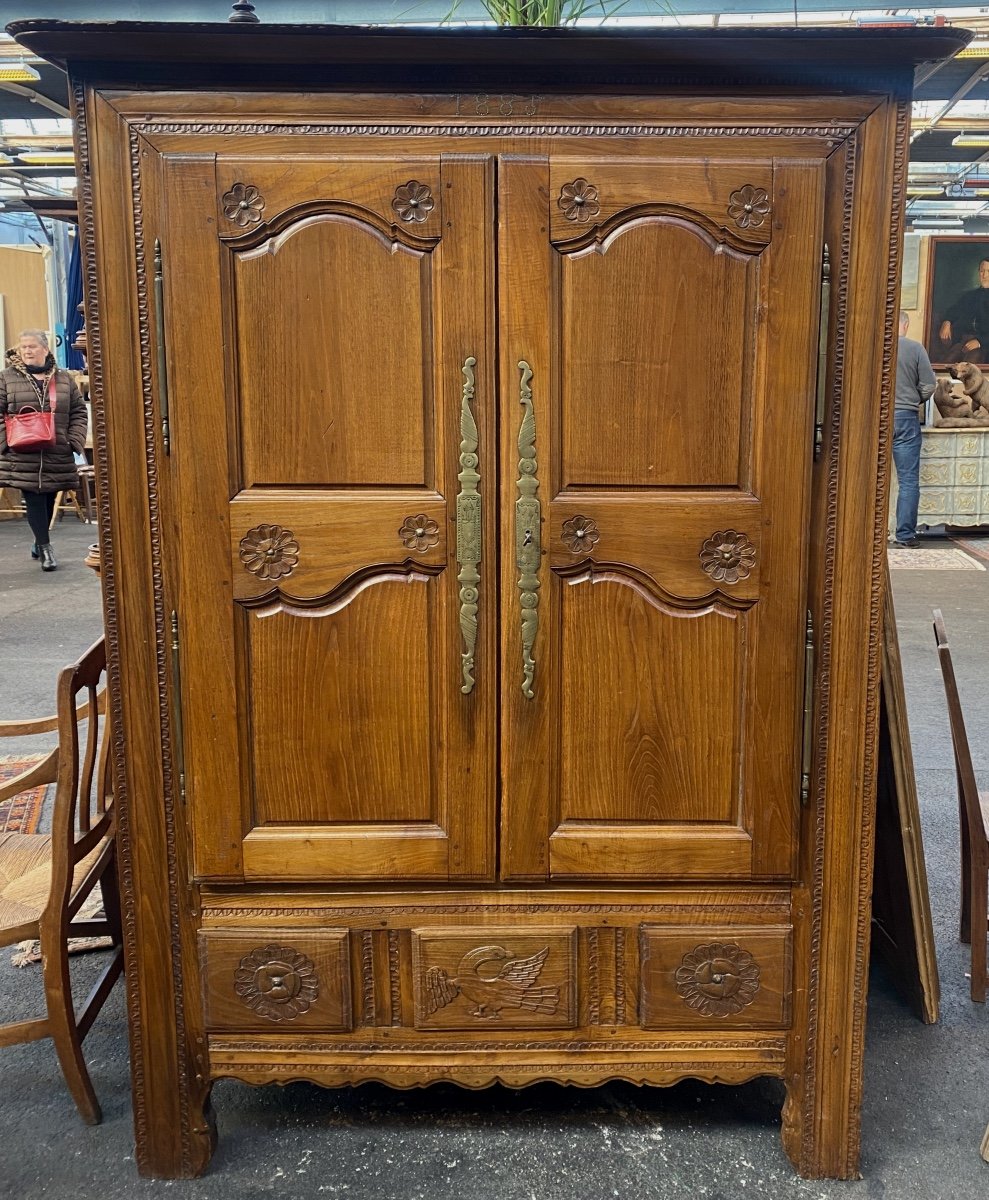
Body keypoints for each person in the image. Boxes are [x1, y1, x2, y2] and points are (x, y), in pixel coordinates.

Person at [0, 329, 88, 572]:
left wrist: (73, 441)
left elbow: (79, 412)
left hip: (56, 449)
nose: (27, 351)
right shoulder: (6, 378)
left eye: (32, 346)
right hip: (22, 451)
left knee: (48, 495)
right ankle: (47, 548)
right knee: (35, 497)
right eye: (23, 347)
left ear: (45, 349)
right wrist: (5, 442)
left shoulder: (63, 378)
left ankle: (39, 541)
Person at [892, 311, 936, 548]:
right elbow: (929, 385)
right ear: (906, 325)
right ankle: (904, 535)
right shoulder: (916, 349)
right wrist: (913, 400)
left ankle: (865, 533)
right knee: (908, 480)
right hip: (906, 418)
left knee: (865, 478)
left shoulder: (877, 347)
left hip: (876, 418)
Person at [938, 258, 989, 363]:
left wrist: (980, 342)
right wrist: (947, 321)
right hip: (964, 342)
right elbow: (954, 310)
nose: (984, 275)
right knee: (945, 365)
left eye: (988, 271)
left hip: (984, 346)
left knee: (967, 370)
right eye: (982, 271)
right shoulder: (970, 295)